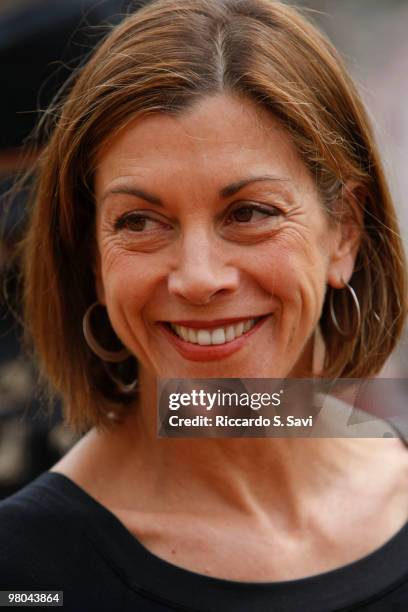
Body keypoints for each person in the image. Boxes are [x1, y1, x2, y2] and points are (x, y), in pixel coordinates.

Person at [1, 0, 408, 610]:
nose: (198, 278)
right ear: (92, 256)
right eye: (140, 221)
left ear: (345, 230)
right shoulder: (25, 572)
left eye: (249, 213)